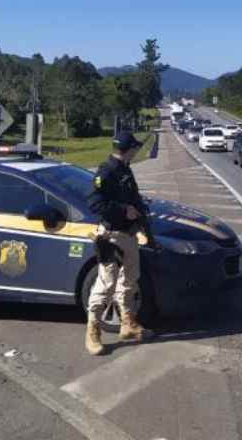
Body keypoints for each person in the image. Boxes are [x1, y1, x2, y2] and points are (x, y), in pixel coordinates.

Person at [84, 131, 153, 356]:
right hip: (111, 235)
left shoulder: (125, 168)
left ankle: (127, 324)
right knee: (106, 284)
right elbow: (94, 203)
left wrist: (141, 217)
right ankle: (93, 331)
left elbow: (132, 198)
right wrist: (124, 211)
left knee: (129, 280)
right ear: (128, 149)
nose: (137, 151)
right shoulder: (107, 171)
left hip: (129, 234)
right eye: (135, 148)